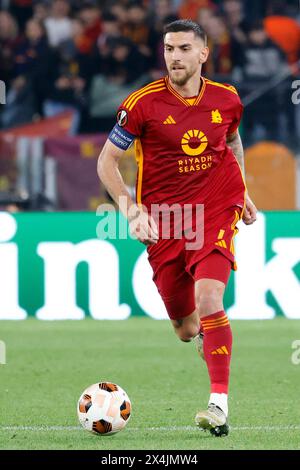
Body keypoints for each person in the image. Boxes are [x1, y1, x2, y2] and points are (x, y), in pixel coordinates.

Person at [97, 19, 257, 437]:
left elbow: (232, 141)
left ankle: (218, 405)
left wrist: (243, 190)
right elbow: (106, 162)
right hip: (165, 221)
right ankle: (207, 336)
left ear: (204, 54)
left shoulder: (227, 98)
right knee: (186, 329)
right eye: (169, 48)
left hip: (215, 209)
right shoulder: (142, 104)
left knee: (209, 295)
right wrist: (130, 210)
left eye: (184, 48)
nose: (174, 57)